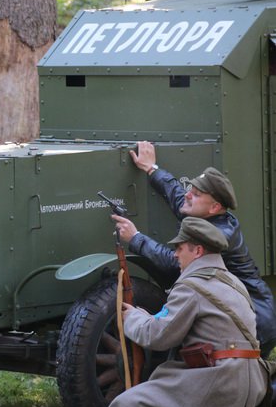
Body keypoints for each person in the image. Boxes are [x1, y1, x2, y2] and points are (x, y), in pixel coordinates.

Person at [94, 217, 276, 407]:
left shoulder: (191, 285)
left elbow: (157, 336)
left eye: (180, 248)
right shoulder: (233, 282)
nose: (175, 255)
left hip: (220, 381)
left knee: (126, 405)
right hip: (250, 382)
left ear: (198, 250)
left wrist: (133, 317)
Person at [112, 141, 276, 358]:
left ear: (214, 207)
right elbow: (178, 195)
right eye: (192, 190)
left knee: (236, 379)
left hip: (253, 321)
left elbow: (175, 263)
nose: (189, 195)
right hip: (233, 312)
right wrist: (151, 168)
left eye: (197, 194)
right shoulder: (204, 214)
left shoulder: (216, 235)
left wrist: (135, 238)